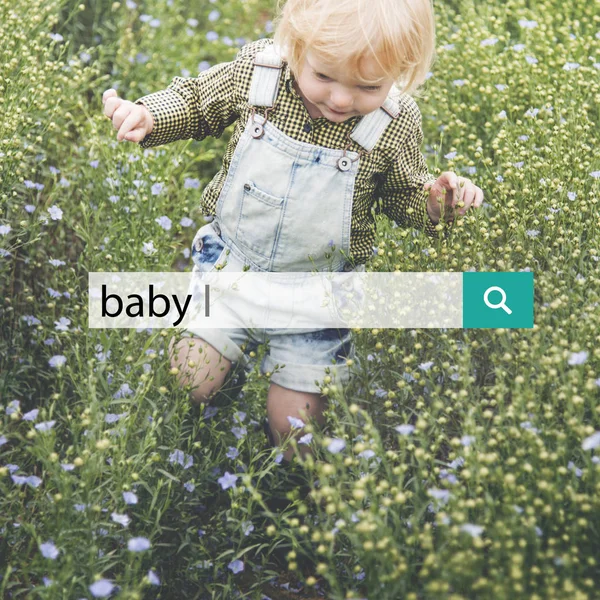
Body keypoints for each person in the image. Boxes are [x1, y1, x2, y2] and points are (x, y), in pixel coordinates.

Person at [102, 0, 484, 476]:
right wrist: (150, 116)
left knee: (295, 432)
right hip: (232, 267)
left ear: (400, 73)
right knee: (189, 381)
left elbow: (400, 193)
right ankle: (193, 442)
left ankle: (288, 493)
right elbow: (198, 102)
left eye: (368, 86)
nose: (342, 100)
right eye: (324, 76)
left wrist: (434, 203)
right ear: (296, 45)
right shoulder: (258, 73)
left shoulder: (395, 121)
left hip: (317, 292)